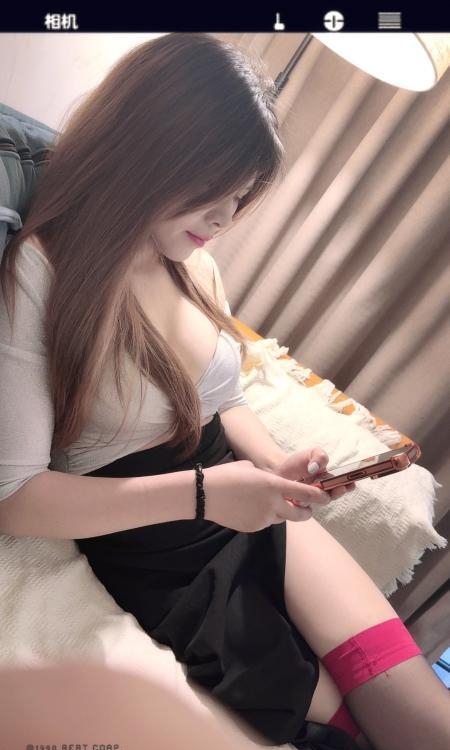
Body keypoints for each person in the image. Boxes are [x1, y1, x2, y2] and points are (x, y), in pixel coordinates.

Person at [1, 32, 449, 750]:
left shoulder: (193, 265)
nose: (224, 219)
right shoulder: (41, 274)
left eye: (239, 197)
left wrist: (275, 464)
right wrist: (208, 495)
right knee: (338, 726)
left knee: (422, 716)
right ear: (149, 152)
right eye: (214, 191)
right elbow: (16, 499)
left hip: (242, 496)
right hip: (158, 542)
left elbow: (224, 400)